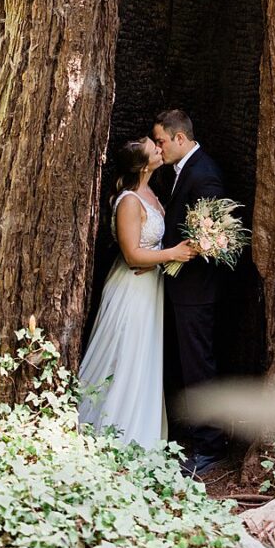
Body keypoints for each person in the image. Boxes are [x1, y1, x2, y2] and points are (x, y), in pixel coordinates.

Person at [76, 137, 196, 447]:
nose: (159, 147)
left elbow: (149, 246)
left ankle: (140, 430)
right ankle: (115, 432)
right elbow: (132, 255)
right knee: (126, 354)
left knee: (144, 356)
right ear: (143, 166)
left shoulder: (151, 192)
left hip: (150, 286)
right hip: (131, 288)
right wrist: (172, 254)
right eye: (153, 147)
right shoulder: (129, 200)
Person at [152, 108, 230, 476]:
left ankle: (210, 447)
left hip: (197, 290)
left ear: (180, 138)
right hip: (182, 287)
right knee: (189, 363)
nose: (159, 148)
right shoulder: (184, 169)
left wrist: (185, 251)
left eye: (162, 141)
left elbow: (215, 234)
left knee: (200, 366)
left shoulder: (204, 173)